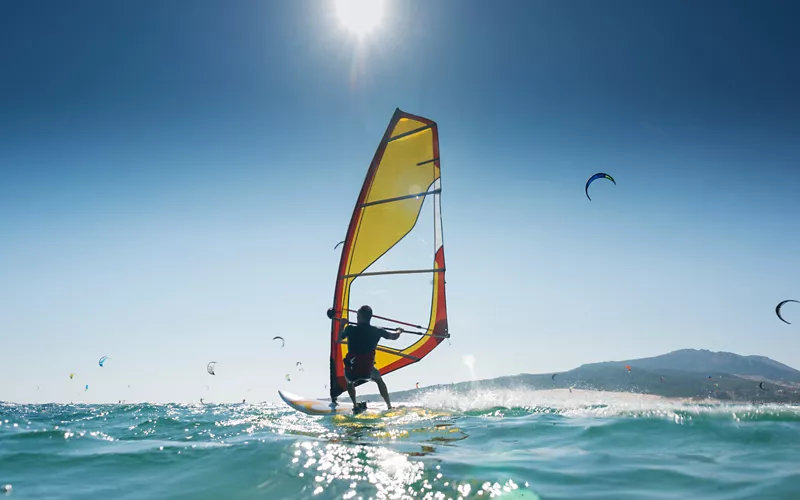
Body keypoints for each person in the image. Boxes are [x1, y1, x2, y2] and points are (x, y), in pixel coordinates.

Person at [338, 305, 401, 412]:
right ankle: (389, 406)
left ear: (361, 316)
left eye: (357, 316)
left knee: (349, 382)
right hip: (368, 370)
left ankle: (355, 405)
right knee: (379, 381)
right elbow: (394, 336)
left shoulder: (349, 329)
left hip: (352, 371)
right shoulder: (377, 330)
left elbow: (339, 339)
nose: (356, 318)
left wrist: (342, 325)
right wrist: (399, 331)